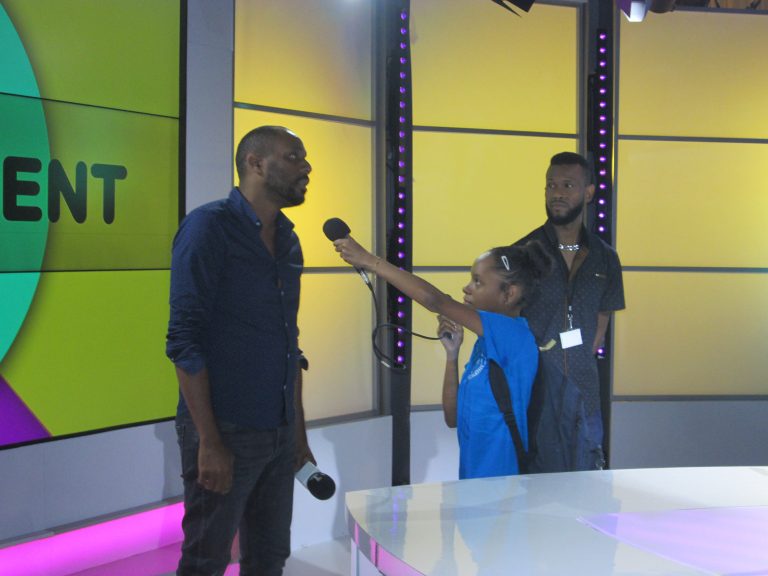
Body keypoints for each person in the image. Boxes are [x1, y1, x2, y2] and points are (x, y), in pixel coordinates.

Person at [166, 125, 315, 576]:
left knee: (270, 559)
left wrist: (297, 434)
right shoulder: (207, 228)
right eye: (293, 157)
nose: (307, 167)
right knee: (205, 562)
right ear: (255, 163)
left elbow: (289, 342)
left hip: (279, 431)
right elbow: (184, 340)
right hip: (225, 428)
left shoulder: (288, 239)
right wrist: (209, 441)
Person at [334, 237, 551, 480]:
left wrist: (370, 261)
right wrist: (452, 355)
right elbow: (452, 417)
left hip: (501, 488)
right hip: (474, 484)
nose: (467, 288)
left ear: (509, 294)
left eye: (478, 282)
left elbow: (434, 300)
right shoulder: (486, 345)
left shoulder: (513, 335)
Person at [514, 151, 625, 473]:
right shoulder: (523, 253)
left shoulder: (605, 257)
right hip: (536, 398)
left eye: (567, 185)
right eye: (551, 185)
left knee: (589, 486)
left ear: (588, 193)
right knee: (536, 489)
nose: (557, 193)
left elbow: (602, 322)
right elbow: (508, 321)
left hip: (584, 398)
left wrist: (576, 351)